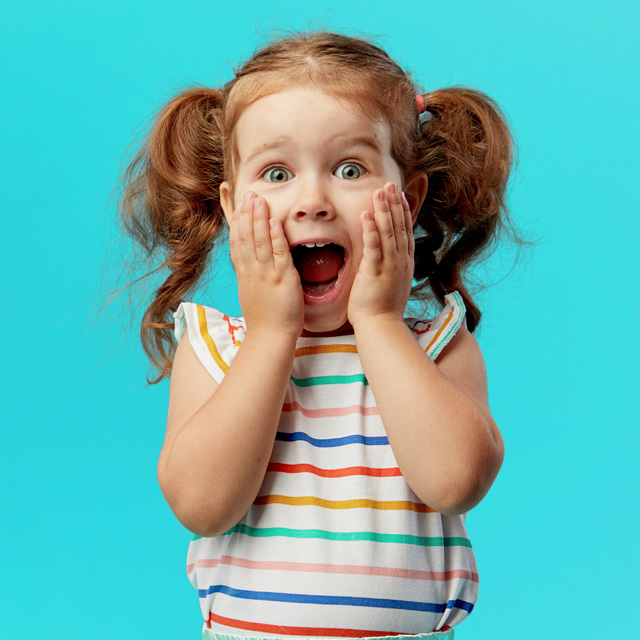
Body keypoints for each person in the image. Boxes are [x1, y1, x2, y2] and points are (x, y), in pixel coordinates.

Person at [120, 31, 514, 639]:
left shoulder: (437, 345)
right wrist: (273, 332)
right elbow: (201, 505)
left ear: (407, 201)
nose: (311, 201)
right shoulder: (215, 347)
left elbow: (456, 481)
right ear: (231, 207)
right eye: (276, 173)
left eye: (350, 168)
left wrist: (381, 323)